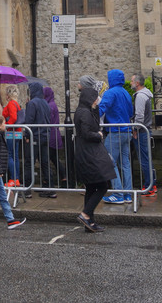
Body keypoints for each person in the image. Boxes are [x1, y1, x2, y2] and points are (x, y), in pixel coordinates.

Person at [73, 78, 117, 232]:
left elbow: (95, 122)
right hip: (89, 153)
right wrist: (98, 135)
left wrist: (96, 108)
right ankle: (86, 215)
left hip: (88, 152)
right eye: (95, 98)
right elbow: (86, 133)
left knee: (92, 187)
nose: (97, 100)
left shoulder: (87, 111)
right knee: (102, 185)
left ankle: (89, 222)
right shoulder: (83, 113)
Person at [99, 69, 134, 204]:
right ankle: (128, 194)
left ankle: (118, 194)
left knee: (109, 162)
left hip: (115, 131)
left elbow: (101, 109)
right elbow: (131, 112)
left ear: (111, 79)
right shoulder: (126, 93)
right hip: (127, 132)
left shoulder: (110, 93)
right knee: (125, 163)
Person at [22, 81, 56, 198]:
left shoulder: (32, 103)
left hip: (34, 137)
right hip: (45, 136)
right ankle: (50, 189)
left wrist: (26, 136)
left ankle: (27, 190)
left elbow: (29, 121)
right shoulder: (45, 103)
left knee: (29, 163)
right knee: (45, 163)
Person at [131, 74, 156, 196]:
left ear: (137, 83)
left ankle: (149, 186)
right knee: (147, 158)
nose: (130, 83)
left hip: (141, 132)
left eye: (132, 81)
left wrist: (135, 129)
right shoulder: (145, 95)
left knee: (144, 159)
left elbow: (139, 116)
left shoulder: (140, 96)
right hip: (145, 130)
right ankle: (152, 184)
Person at [44, 85, 69, 187]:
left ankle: (49, 181)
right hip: (55, 134)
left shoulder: (49, 106)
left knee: (47, 159)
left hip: (51, 136)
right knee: (54, 158)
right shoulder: (52, 104)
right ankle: (63, 178)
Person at [1, 86, 23, 186]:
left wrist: (7, 126)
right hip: (17, 132)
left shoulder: (11, 104)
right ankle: (16, 179)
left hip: (11, 132)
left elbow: (13, 117)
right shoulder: (16, 104)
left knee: (9, 155)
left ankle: (13, 179)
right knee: (15, 156)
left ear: (8, 95)